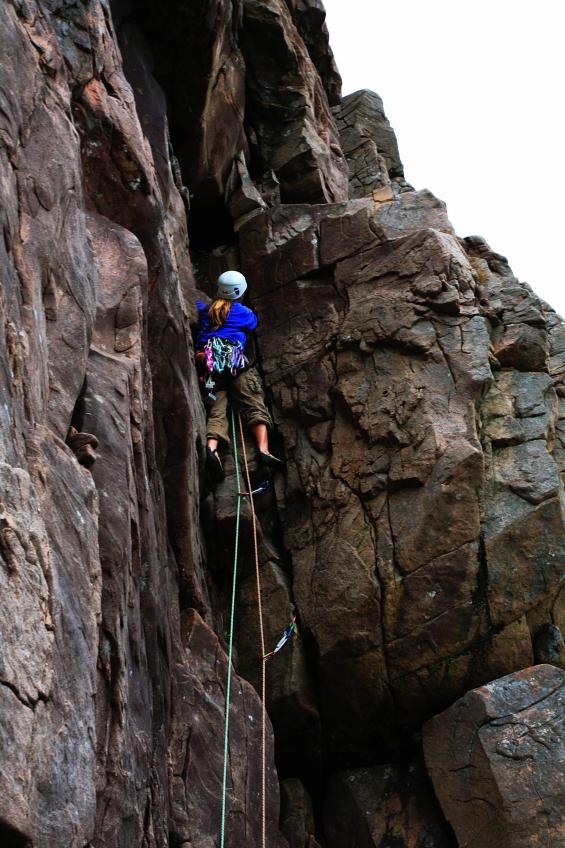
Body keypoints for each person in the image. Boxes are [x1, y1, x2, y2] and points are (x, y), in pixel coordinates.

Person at [196, 270, 284, 482]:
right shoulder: (244, 313)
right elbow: (253, 325)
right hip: (237, 367)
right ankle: (263, 450)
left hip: (213, 368)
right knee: (253, 403)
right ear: (241, 291)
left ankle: (212, 448)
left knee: (218, 409)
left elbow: (199, 319)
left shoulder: (206, 311)